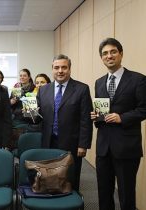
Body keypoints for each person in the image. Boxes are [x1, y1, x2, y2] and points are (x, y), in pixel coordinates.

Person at [91, 38, 146, 210]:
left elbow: (144, 109)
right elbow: (102, 111)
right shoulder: (99, 82)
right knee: (103, 193)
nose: (109, 56)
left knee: (126, 194)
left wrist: (122, 118)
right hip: (103, 147)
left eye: (113, 51)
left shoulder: (138, 79)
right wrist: (96, 116)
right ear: (101, 58)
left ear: (121, 54)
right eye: (105, 53)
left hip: (127, 146)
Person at [37, 54, 93, 191]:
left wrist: (83, 145)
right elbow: (39, 116)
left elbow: (86, 119)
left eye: (64, 67)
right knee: (49, 177)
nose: (60, 71)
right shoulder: (43, 90)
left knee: (70, 180)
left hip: (72, 144)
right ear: (52, 69)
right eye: (56, 67)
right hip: (48, 142)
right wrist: (30, 114)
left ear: (69, 69)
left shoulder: (82, 89)